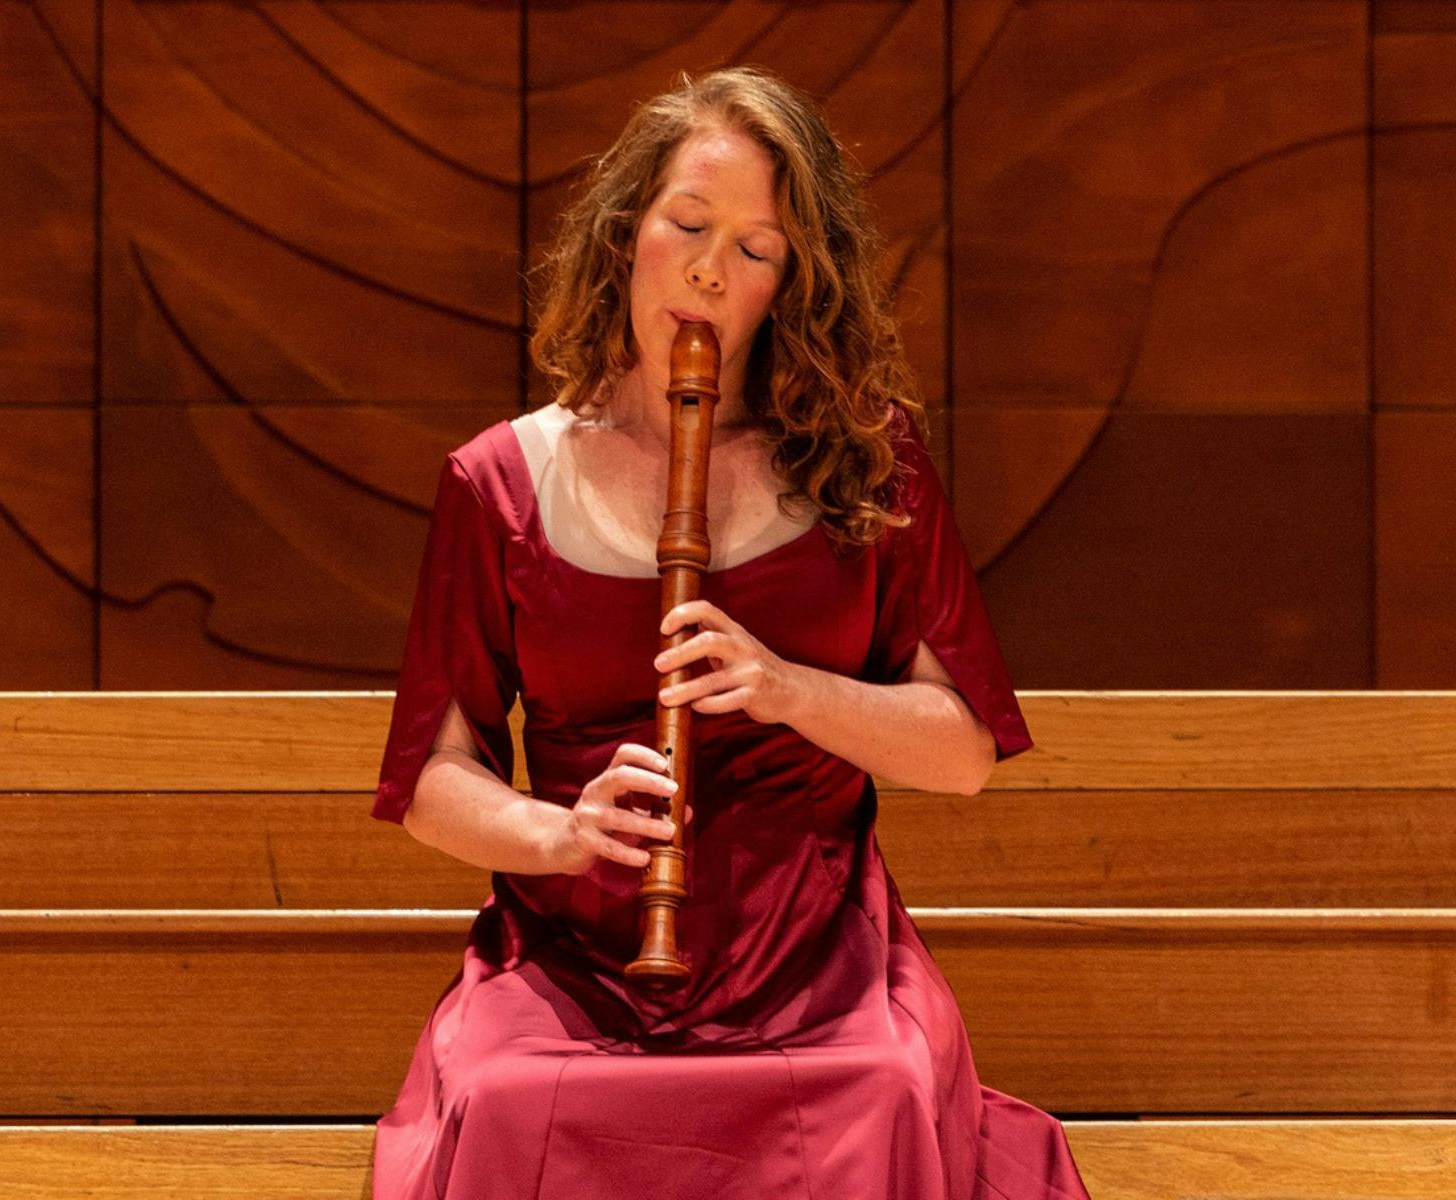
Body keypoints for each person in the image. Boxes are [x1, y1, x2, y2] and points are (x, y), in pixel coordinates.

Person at [370, 64, 1093, 1200]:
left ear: (790, 289)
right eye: (688, 224)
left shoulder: (868, 459)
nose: (710, 267)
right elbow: (429, 779)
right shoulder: (500, 481)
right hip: (573, 967)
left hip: (816, 961)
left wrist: (788, 688)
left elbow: (960, 756)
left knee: (886, 1088)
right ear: (625, 235)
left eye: (756, 252)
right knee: (506, 1099)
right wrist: (560, 835)